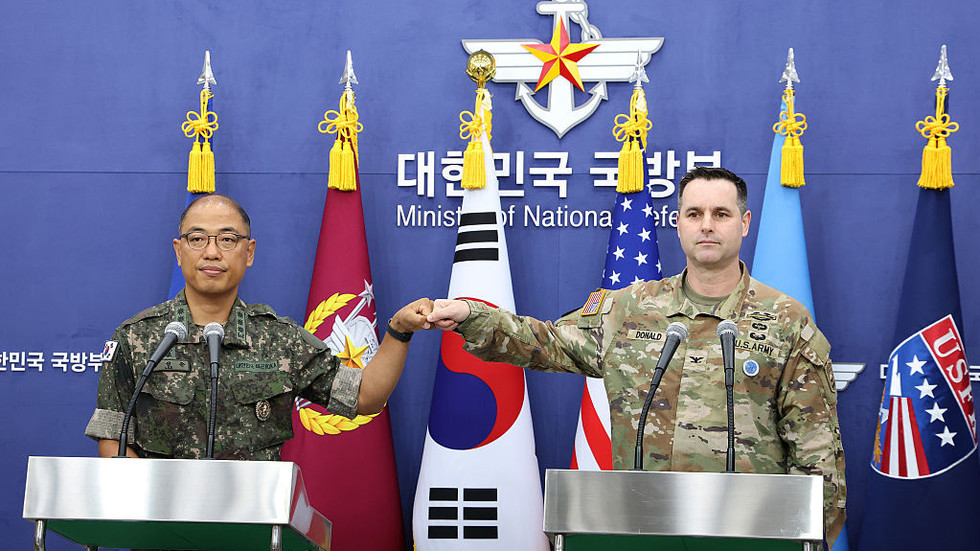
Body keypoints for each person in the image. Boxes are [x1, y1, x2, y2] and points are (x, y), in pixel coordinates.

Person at [425, 167, 846, 547]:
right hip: (642, 530)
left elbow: (817, 450)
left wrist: (808, 539)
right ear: (678, 223)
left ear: (745, 223)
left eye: (721, 214)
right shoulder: (629, 309)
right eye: (694, 214)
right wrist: (470, 315)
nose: (707, 225)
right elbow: (546, 341)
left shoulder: (786, 320)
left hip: (751, 535)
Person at [85, 193, 430, 460]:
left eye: (227, 240)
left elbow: (365, 397)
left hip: (254, 518)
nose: (212, 252)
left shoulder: (279, 339)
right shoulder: (137, 338)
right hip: (162, 518)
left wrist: (398, 331)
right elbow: (113, 437)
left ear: (249, 252)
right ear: (179, 250)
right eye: (197, 239)